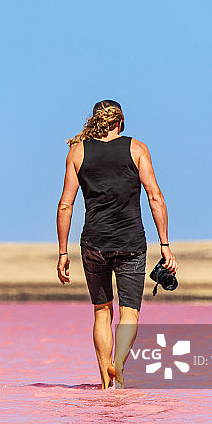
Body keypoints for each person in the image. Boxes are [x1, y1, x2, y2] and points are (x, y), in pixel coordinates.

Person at [56, 100, 177, 389]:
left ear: (95, 121)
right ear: (121, 122)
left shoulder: (78, 152)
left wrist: (62, 252)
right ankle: (119, 365)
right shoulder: (137, 149)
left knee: (101, 310)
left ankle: (105, 383)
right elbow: (155, 196)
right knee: (130, 311)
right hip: (131, 242)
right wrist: (165, 244)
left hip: (94, 243)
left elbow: (65, 206)